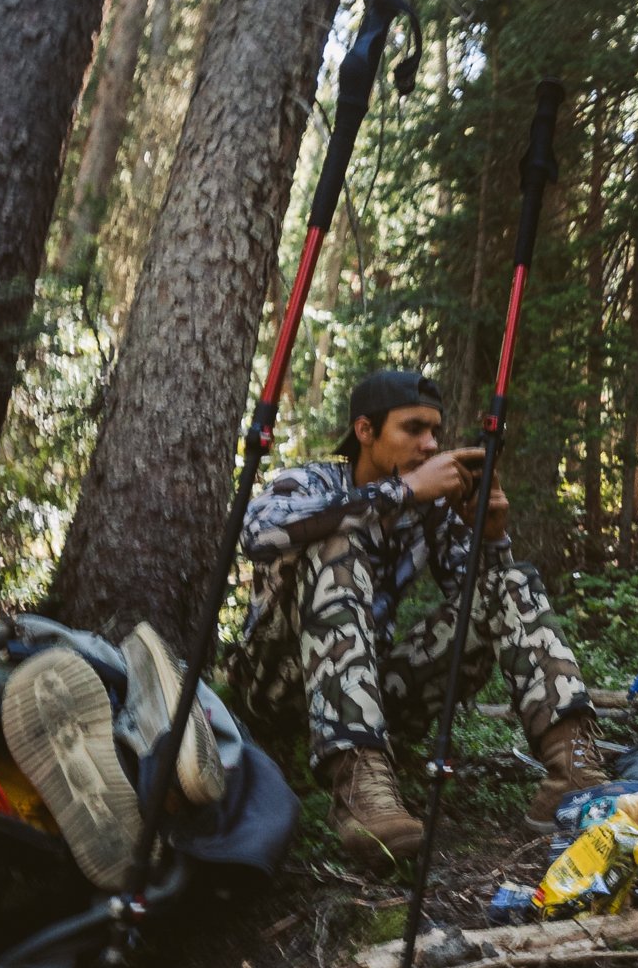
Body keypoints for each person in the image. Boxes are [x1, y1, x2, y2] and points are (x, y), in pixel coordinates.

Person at [229, 366, 606, 867]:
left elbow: (481, 606)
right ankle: (359, 789)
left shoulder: (429, 511)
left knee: (510, 580)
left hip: (370, 692)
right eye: (413, 429)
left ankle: (572, 772)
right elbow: (256, 533)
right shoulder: (311, 481)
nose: (430, 444)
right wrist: (399, 493)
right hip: (277, 688)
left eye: (434, 431)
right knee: (335, 541)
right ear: (365, 431)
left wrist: (489, 535)